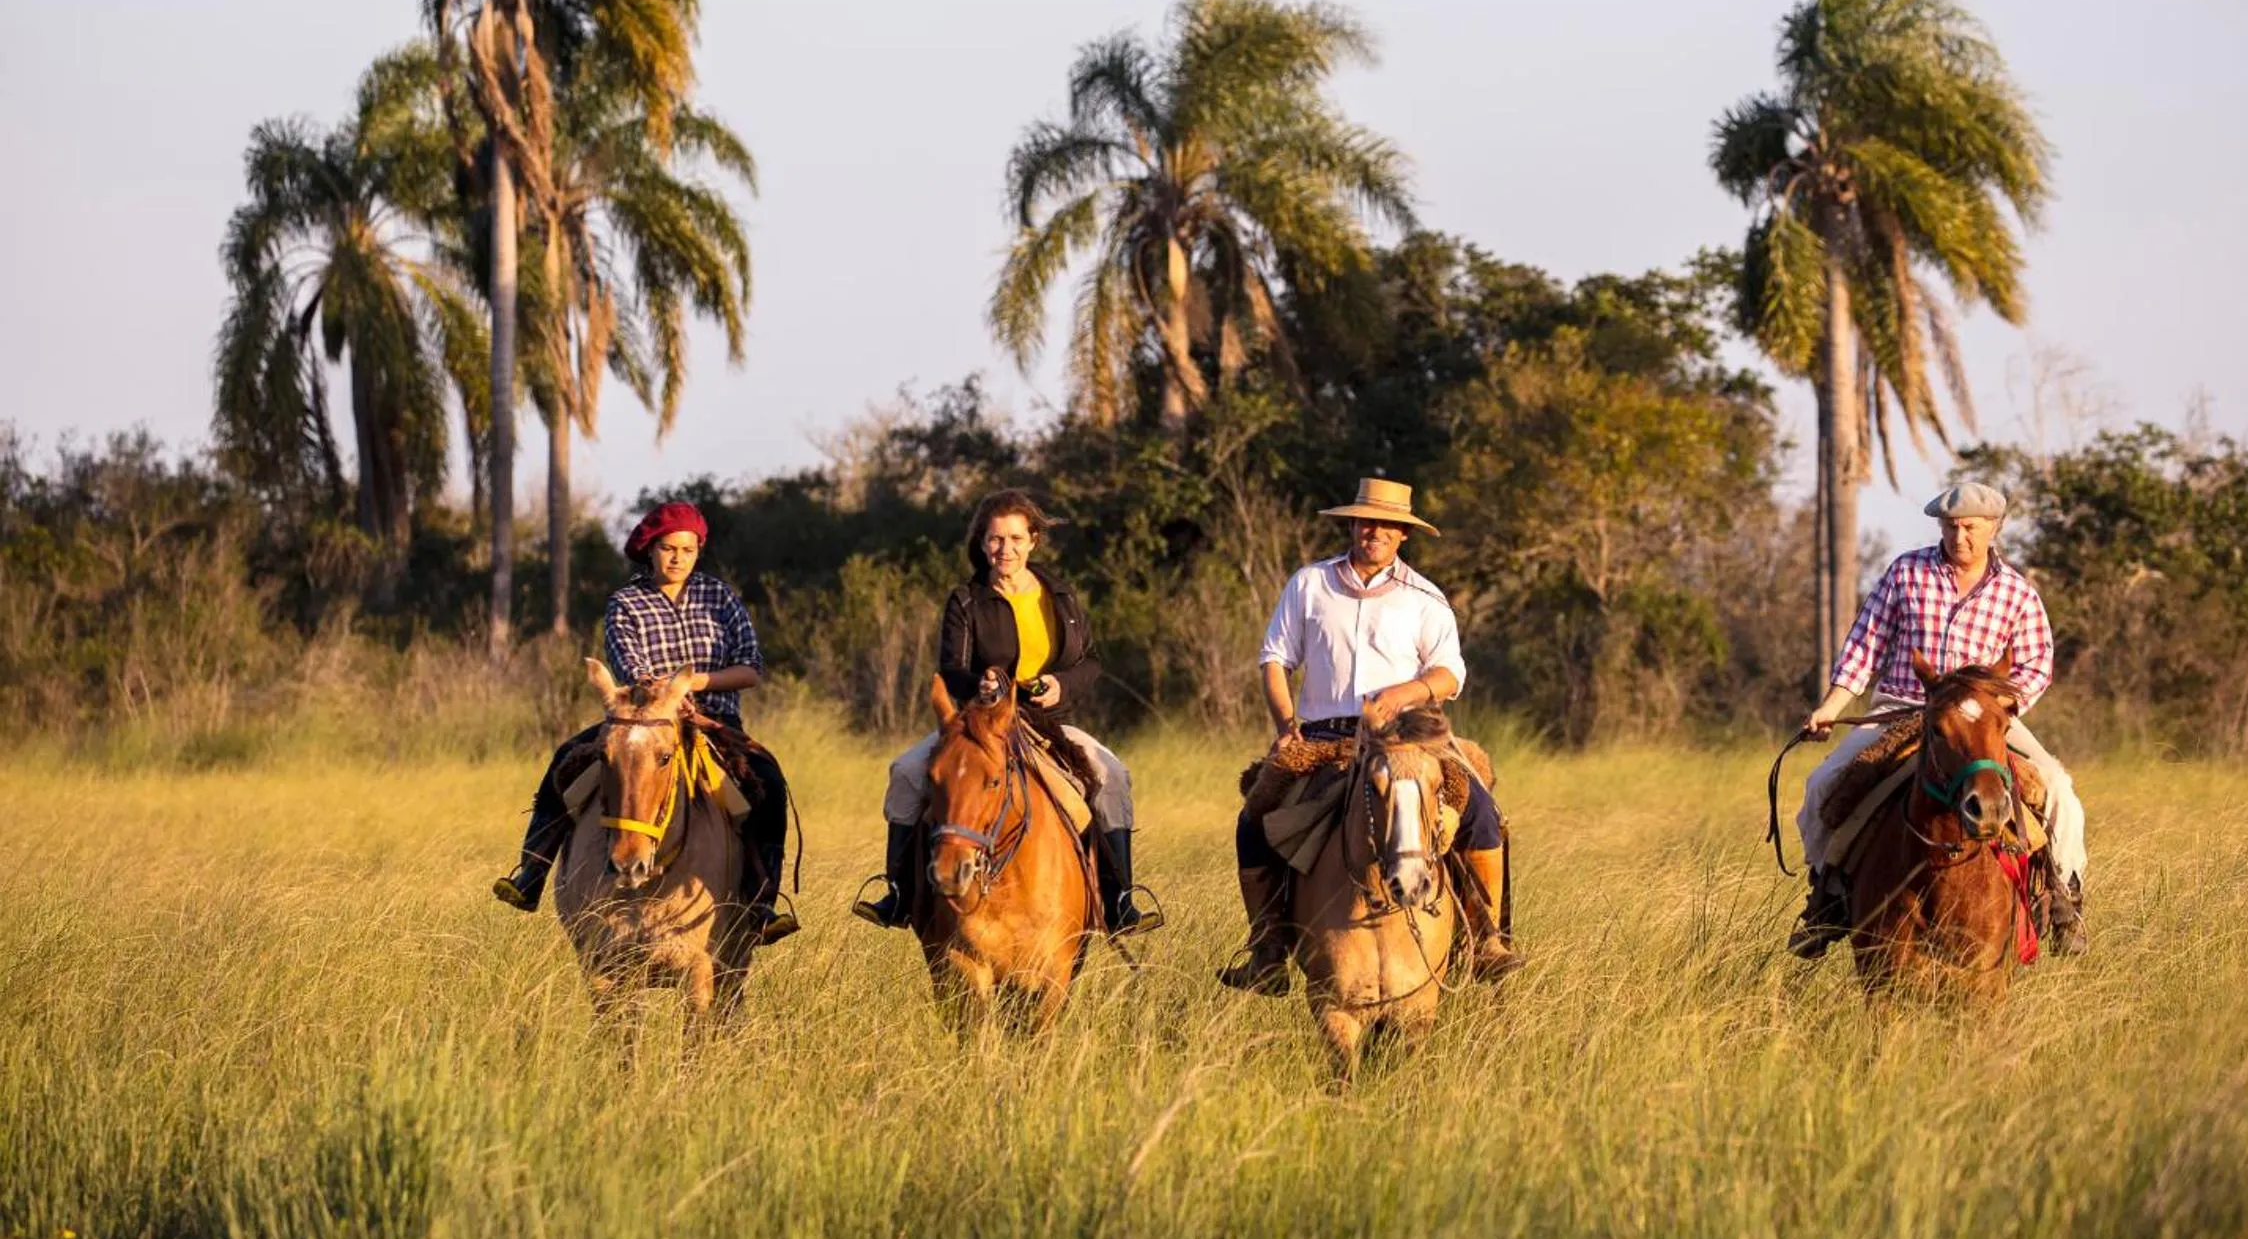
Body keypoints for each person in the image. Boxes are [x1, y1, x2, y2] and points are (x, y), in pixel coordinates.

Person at [1222, 477, 1526, 994]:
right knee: (1254, 818)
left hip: (1405, 738)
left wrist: (1405, 694)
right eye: (1367, 521)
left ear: (1403, 534)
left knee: (1479, 809)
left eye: (1387, 524)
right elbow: (1275, 659)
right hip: (1322, 737)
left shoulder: (1425, 597)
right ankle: (1268, 949)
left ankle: (1486, 937)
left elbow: (1450, 674)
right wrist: (1285, 727)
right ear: (1352, 524)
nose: (1375, 531)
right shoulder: (1309, 584)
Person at [1788, 480, 2089, 958]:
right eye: (1950, 527)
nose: (1959, 537)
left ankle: (2064, 900)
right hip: (1902, 707)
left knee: (2057, 789)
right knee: (1824, 784)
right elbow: (1864, 647)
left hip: (1984, 720)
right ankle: (1826, 901)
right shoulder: (1906, 573)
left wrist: (1998, 712)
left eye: (1970, 527)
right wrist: (1830, 709)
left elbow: (2037, 665)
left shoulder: (2017, 593)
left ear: (1993, 528)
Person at [852, 489, 1162, 938]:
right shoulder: (966, 599)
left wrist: (1061, 685)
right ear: (982, 543)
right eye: (996, 540)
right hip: (981, 725)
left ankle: (1119, 902)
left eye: (1016, 539)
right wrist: (976, 685)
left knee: (1111, 776)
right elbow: (950, 670)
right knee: (905, 772)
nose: (1006, 550)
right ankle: (897, 895)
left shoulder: (1061, 595)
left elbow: (1089, 660)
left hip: (1046, 724)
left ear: (1033, 540)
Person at [493, 501, 797, 944]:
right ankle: (531, 872)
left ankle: (763, 901)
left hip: (714, 721)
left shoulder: (722, 597)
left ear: (699, 552)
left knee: (767, 781)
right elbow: (631, 668)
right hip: (642, 719)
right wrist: (667, 699)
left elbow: (750, 668)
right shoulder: (625, 603)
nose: (678, 558)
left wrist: (693, 685)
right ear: (649, 550)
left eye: (688, 550)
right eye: (668, 548)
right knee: (565, 762)